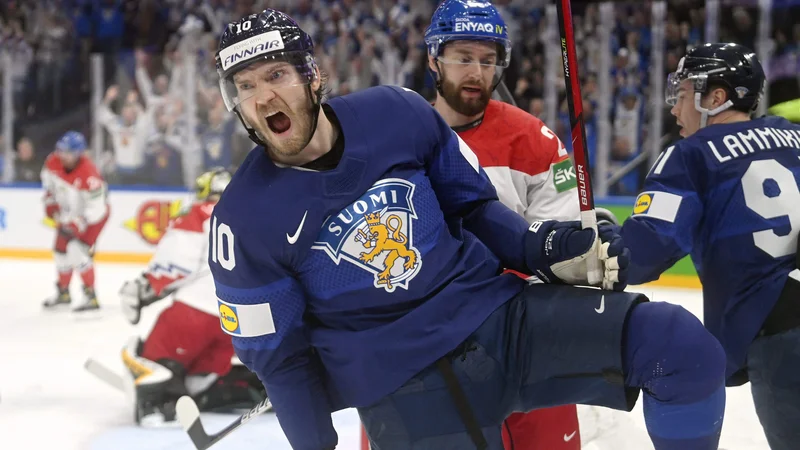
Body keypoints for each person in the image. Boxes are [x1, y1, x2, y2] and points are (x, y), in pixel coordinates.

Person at [209, 9, 727, 450]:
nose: (262, 96)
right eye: (246, 86)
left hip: (497, 320)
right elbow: (281, 363)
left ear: (312, 76)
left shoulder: (397, 113)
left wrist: (552, 247)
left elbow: (478, 210)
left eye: (276, 75)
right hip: (399, 384)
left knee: (679, 347)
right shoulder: (240, 223)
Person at [614, 43, 800, 450]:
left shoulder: (692, 155)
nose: (675, 110)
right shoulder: (795, 135)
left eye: (681, 96)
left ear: (716, 97)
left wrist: (599, 246)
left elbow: (645, 250)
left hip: (781, 331)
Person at [426, 2, 581, 448]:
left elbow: (558, 247)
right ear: (434, 59)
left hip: (525, 341)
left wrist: (581, 252)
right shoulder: (397, 137)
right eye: (463, 57)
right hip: (428, 349)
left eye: (488, 59)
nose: (477, 71)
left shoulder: (533, 139)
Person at [118, 167, 267, 426]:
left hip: (196, 310)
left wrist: (143, 289)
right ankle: (205, 388)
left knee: (154, 358)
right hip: (238, 320)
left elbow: (175, 264)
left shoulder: (199, 214)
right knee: (201, 370)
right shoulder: (255, 219)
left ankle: (159, 403)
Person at [41, 131, 109, 312]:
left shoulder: (90, 175)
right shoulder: (52, 162)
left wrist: (78, 223)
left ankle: (91, 296)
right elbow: (49, 186)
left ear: (79, 153)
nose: (63, 155)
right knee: (60, 251)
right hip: (69, 213)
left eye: (68, 152)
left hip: (93, 218)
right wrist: (51, 203)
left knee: (76, 250)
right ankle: (64, 293)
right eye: (61, 150)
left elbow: (98, 209)